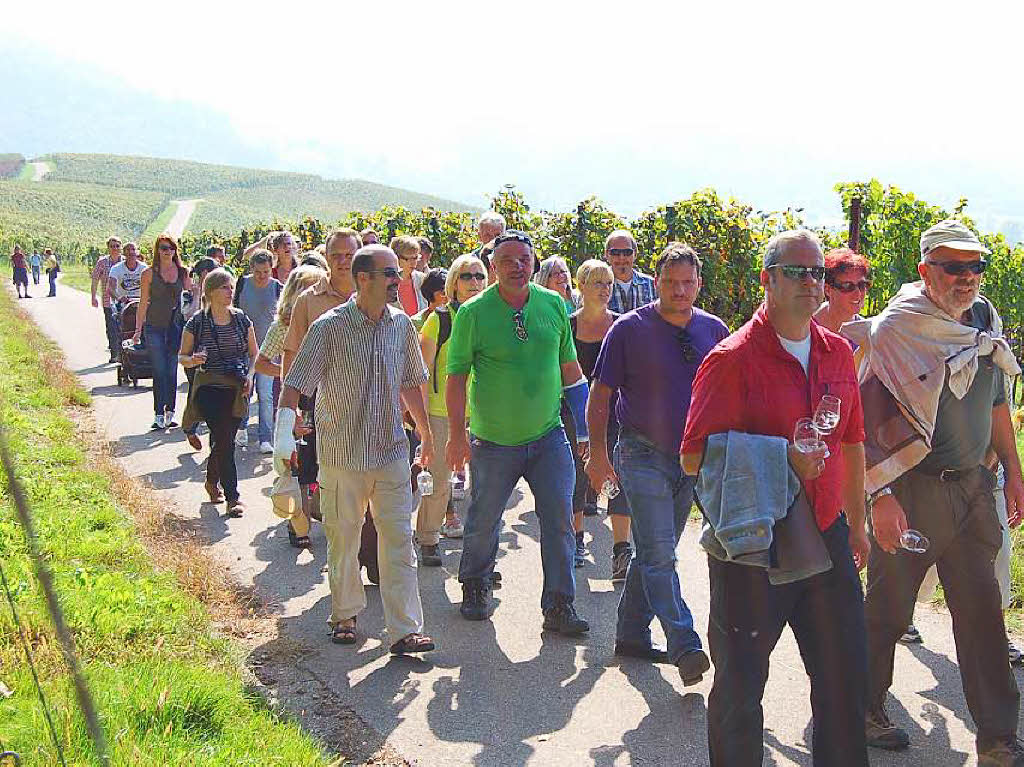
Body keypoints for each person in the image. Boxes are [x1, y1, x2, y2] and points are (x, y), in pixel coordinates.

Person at [681, 229, 870, 766]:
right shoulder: (731, 359)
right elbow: (692, 458)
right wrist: (779, 456)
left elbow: (852, 441)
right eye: (796, 271)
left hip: (827, 532)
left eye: (819, 274)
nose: (811, 283)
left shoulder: (837, 353)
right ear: (767, 279)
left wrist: (856, 525)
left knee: (844, 679)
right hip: (754, 542)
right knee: (741, 688)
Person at [842, 220, 1024, 763]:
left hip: (973, 489)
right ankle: (862, 709)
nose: (967, 278)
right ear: (925, 271)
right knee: (889, 611)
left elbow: (995, 404)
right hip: (913, 491)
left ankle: (997, 738)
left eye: (975, 267)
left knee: (982, 613)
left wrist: (1012, 470)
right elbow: (867, 412)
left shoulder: (983, 321)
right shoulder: (900, 327)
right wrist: (881, 496)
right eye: (953, 267)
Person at [275, 244, 436, 655]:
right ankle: (344, 614)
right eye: (389, 274)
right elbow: (295, 381)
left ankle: (404, 630)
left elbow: (409, 382)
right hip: (341, 454)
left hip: (390, 450)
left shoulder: (401, 325)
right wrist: (282, 429)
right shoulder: (329, 327)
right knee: (343, 537)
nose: (397, 281)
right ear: (363, 279)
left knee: (398, 539)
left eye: (397, 274)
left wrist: (426, 434)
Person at [586, 244, 728, 681]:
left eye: (687, 282)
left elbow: (727, 395)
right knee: (661, 553)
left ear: (699, 284)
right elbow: (601, 394)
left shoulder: (715, 330)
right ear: (657, 283)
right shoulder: (629, 329)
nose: (679, 290)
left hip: (691, 459)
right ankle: (684, 642)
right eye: (670, 282)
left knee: (651, 550)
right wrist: (596, 454)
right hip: (640, 450)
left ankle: (630, 634)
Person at [446, 230, 590, 635]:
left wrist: (587, 432)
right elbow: (455, 376)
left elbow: (570, 371)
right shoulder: (473, 313)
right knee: (484, 517)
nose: (516, 266)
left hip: (548, 436)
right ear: (493, 267)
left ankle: (560, 605)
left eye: (523, 259)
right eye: (506, 259)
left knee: (559, 519)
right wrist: (457, 435)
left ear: (534, 264)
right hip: (492, 442)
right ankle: (475, 584)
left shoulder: (553, 306)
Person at [282, 228, 380, 583]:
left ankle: (371, 559)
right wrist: (289, 409)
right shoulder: (309, 300)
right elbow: (292, 352)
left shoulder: (377, 291)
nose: (341, 261)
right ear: (325, 257)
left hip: (374, 407)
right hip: (327, 409)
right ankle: (347, 573)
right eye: (335, 254)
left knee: (375, 492)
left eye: (347, 254)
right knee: (339, 496)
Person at [416, 258, 484, 565]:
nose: (473, 281)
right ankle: (428, 538)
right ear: (453, 282)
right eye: (466, 276)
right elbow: (419, 371)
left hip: (485, 412)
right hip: (442, 412)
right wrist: (421, 423)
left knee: (483, 485)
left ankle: (480, 551)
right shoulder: (439, 319)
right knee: (440, 480)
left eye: (479, 275)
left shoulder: (492, 316)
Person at [255, 264, 326, 545]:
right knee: (297, 462)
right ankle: (298, 522)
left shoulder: (330, 320)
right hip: (298, 400)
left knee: (325, 459)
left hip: (327, 397)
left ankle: (317, 511)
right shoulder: (282, 325)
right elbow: (261, 361)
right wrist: (291, 374)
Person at [179, 269, 258, 518]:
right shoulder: (198, 322)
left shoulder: (241, 319)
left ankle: (212, 480)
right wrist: (194, 360)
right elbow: (182, 357)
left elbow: (255, 354)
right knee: (225, 439)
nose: (230, 292)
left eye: (231, 287)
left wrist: (250, 376)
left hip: (236, 388)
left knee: (224, 440)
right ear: (210, 292)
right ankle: (233, 497)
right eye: (224, 287)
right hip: (209, 388)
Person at [569, 260, 631, 578]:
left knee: (618, 477)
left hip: (617, 414)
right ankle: (577, 538)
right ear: (581, 286)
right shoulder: (568, 326)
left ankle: (622, 550)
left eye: (608, 283)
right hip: (575, 415)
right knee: (577, 476)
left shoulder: (621, 325)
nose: (605, 289)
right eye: (597, 283)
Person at [133, 234, 192, 430]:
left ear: (175, 251)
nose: (167, 252)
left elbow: (191, 298)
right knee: (158, 370)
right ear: (157, 251)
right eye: (163, 248)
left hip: (175, 327)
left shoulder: (183, 273)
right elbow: (143, 303)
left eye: (170, 248)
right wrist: (137, 329)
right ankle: (159, 412)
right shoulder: (148, 274)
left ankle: (170, 412)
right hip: (154, 326)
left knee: (171, 370)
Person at [233, 249, 283, 454]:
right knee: (245, 390)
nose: (262, 276)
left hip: (268, 350)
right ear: (251, 268)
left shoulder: (277, 288)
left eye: (266, 272)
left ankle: (265, 438)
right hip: (244, 348)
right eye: (258, 272)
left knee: (266, 395)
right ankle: (241, 428)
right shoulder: (242, 284)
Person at [181, 257, 219, 451]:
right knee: (196, 392)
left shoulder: (223, 292)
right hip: (196, 352)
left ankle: (216, 442)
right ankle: (190, 427)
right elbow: (188, 315)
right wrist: (198, 293)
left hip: (217, 352)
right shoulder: (189, 294)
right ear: (204, 274)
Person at [813, 247, 872, 335]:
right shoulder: (808, 326)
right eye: (847, 286)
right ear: (827, 289)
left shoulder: (865, 334)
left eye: (862, 285)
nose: (858, 293)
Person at [603, 230, 656, 315]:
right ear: (606, 255)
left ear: (635, 254)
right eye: (615, 252)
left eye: (627, 252)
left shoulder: (652, 285)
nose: (621, 257)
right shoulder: (599, 287)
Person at [91, 237, 123, 362]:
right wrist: (93, 297)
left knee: (125, 327)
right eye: (112, 246)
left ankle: (124, 353)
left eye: (117, 246)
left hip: (123, 300)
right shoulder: (102, 262)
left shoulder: (126, 262)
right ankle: (114, 353)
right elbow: (95, 279)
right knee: (111, 327)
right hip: (108, 301)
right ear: (108, 248)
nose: (115, 248)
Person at [391, 235, 426, 315]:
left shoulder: (422, 279)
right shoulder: (386, 282)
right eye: (408, 259)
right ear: (396, 258)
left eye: (415, 258)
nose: (413, 262)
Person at [107, 241, 148, 306]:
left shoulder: (144, 268)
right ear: (124, 253)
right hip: (123, 303)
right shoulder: (116, 268)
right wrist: (119, 297)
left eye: (133, 249)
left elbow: (151, 284)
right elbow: (110, 288)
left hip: (140, 302)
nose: (131, 252)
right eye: (128, 250)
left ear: (137, 252)